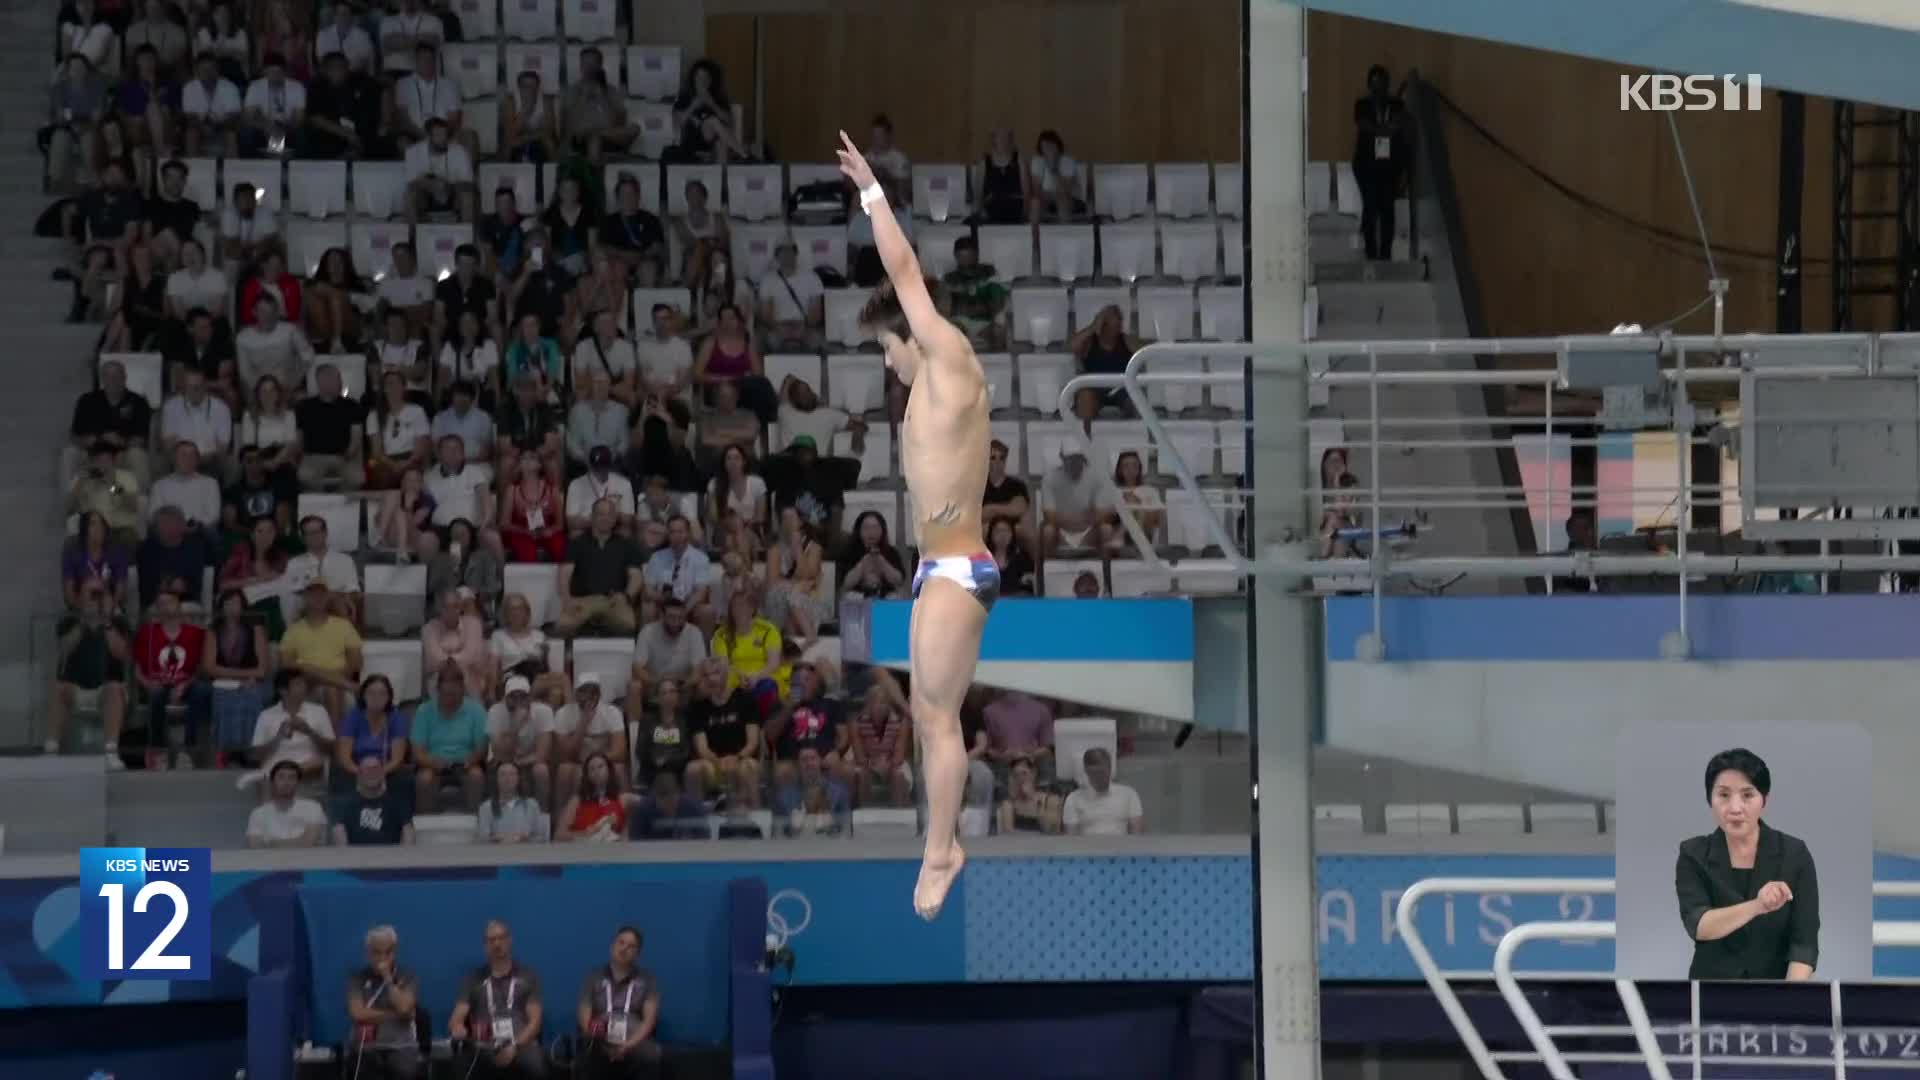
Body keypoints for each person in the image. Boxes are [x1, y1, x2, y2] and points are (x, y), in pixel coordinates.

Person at [836, 132, 994, 920]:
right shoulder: (919, 399)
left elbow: (903, 273)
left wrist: (871, 193)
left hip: (962, 565)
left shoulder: (949, 356)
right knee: (929, 713)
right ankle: (939, 842)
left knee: (934, 714)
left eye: (885, 347)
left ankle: (942, 849)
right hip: (940, 564)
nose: (887, 362)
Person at [1676, 747, 1819, 981]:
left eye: (1747, 795)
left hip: (1775, 993)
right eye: (1723, 795)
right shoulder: (1693, 854)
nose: (1735, 808)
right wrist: (1758, 906)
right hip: (1710, 991)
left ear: (1764, 799)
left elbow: (1804, 945)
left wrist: (1790, 1000)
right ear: (1709, 800)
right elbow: (1699, 925)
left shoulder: (1794, 854)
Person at [450, 921, 545, 1078]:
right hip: (484, 1045)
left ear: (510, 940)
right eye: (491, 940)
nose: (497, 944)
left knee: (537, 1067)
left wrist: (514, 1046)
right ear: (485, 945)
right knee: (462, 1066)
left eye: (501, 938)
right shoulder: (472, 979)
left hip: (520, 1043)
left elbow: (535, 1022)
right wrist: (457, 1026)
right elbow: (457, 1017)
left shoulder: (528, 976)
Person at [574, 926, 662, 1078]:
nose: (624, 948)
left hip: (633, 1038)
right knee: (586, 1053)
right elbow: (584, 1015)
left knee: (653, 1055)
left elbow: (649, 1020)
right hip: (600, 1037)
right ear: (612, 945)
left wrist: (628, 1045)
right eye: (621, 943)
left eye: (631, 946)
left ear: (637, 954)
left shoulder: (648, 980)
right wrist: (602, 1042)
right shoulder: (593, 978)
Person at [345, 924, 422, 1080]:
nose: (382, 958)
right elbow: (357, 1014)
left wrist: (388, 978)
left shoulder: (408, 977)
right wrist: (394, 1015)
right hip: (366, 1047)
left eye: (388, 952)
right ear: (368, 953)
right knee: (362, 1068)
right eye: (377, 953)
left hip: (401, 1047)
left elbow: (405, 1008)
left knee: (405, 1071)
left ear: (395, 951)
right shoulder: (357, 979)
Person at [1351, 64, 1408, 262]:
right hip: (1366, 164)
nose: (1378, 88)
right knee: (1370, 205)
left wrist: (1381, 130)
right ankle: (1370, 253)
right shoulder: (1361, 104)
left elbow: (1398, 125)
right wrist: (1385, 130)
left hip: (1389, 165)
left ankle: (1385, 254)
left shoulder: (1397, 105)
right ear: (1369, 85)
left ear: (1387, 84)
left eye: (1382, 83)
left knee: (1387, 209)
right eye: (1374, 83)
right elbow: (1365, 126)